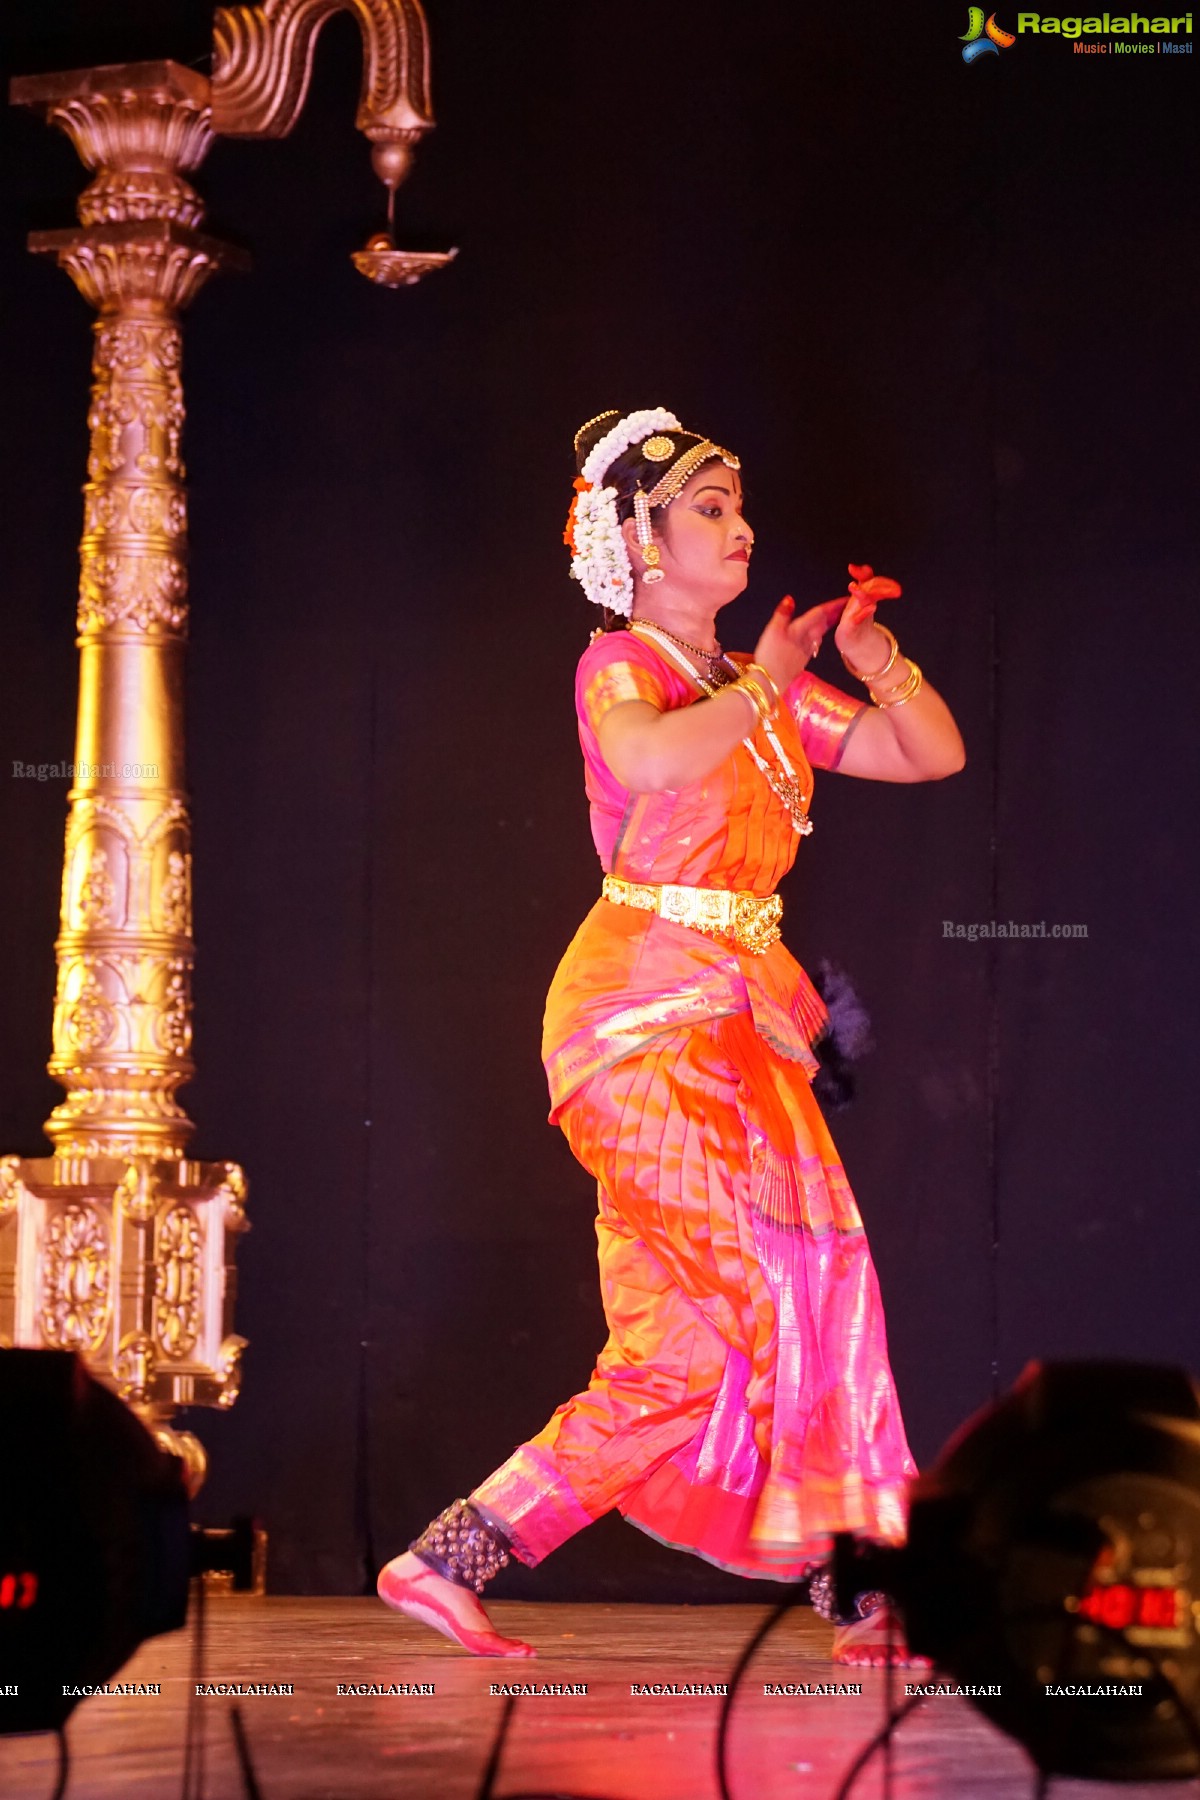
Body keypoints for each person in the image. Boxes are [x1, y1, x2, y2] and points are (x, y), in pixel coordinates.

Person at [378, 407, 965, 1666]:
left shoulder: (764, 695)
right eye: (708, 507)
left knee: (687, 1347)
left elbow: (932, 757)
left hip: (742, 1027)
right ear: (636, 537)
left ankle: (445, 1559)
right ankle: (859, 1587)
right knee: (781, 1284)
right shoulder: (623, 667)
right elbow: (647, 766)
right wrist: (761, 681)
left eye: (738, 503)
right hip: (637, 1025)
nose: (739, 524)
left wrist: (876, 654)